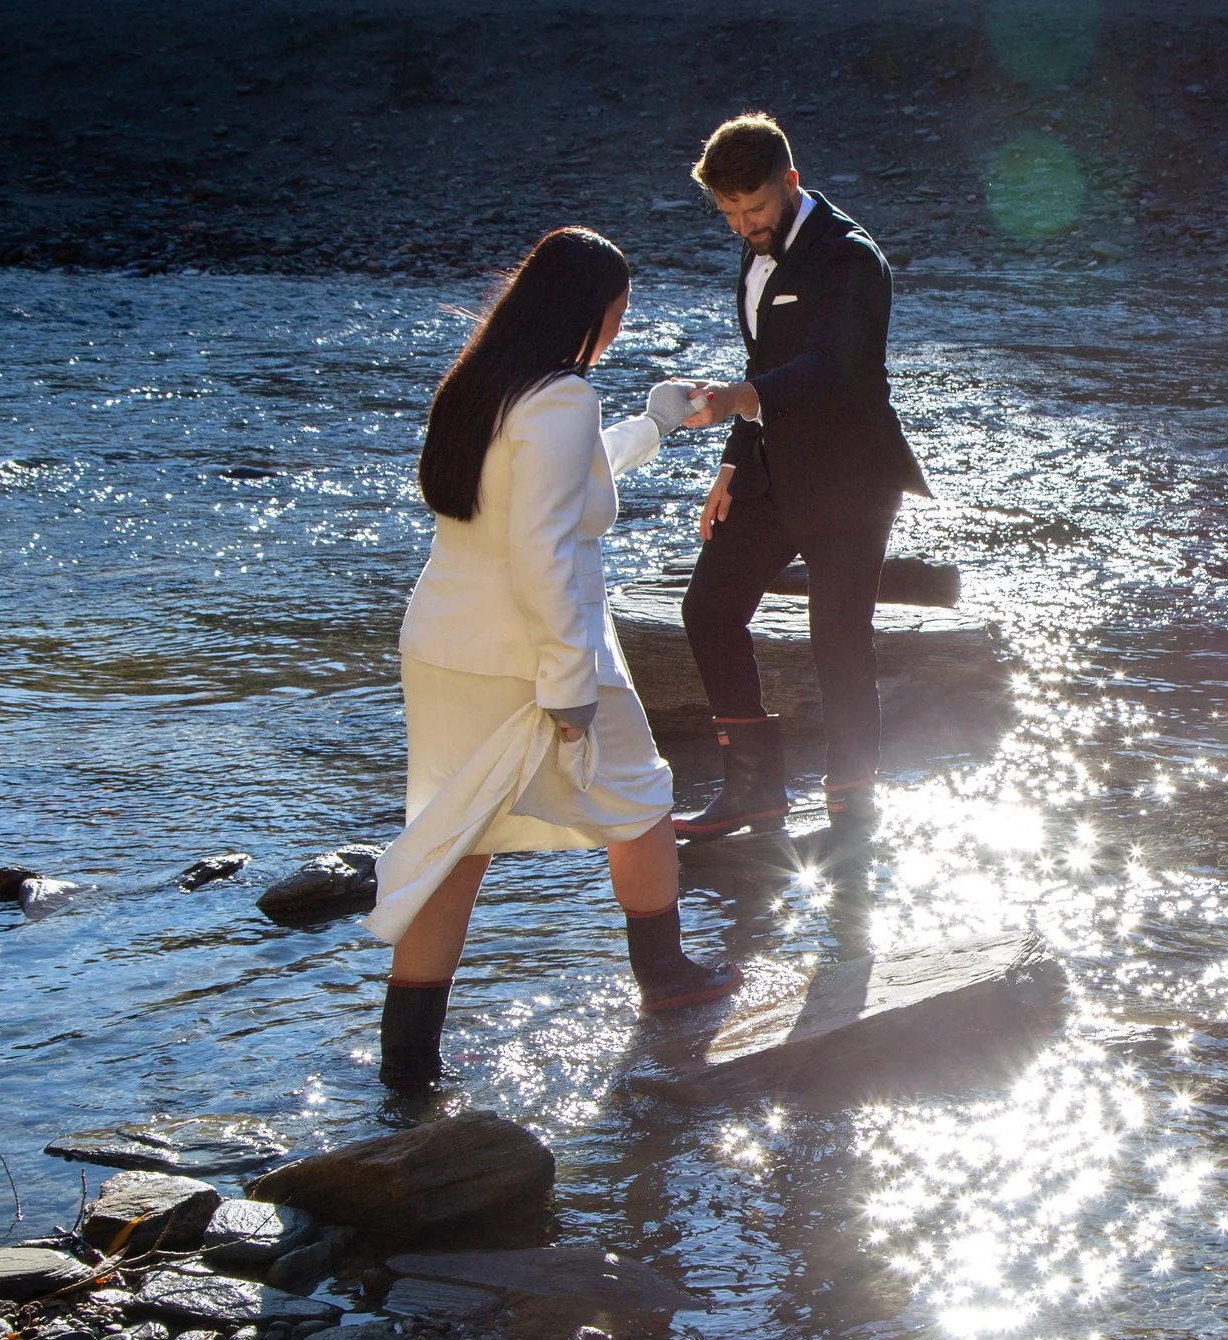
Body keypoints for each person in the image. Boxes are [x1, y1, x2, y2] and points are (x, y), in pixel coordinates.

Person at [375, 227, 738, 1093]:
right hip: (536, 649)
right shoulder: (561, 397)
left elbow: (555, 481)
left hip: (443, 645)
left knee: (451, 838)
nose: (616, 328)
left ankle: (408, 1061)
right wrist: (569, 687)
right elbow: (542, 548)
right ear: (591, 312)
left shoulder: (482, 386)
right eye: (618, 313)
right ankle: (665, 976)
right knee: (643, 794)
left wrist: (652, 422)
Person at [672, 112, 931, 841]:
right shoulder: (756, 253)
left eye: (754, 208)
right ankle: (754, 789)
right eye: (728, 213)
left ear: (791, 181)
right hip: (770, 470)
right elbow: (764, 364)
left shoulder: (851, 258)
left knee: (838, 637)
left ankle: (852, 805)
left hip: (852, 477)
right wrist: (730, 461)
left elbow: (834, 366)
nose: (744, 224)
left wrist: (738, 399)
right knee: (708, 609)